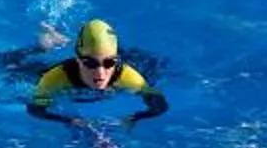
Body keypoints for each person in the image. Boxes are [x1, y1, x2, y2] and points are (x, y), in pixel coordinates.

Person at [29, 18, 166, 123]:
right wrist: (69, 120)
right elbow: (35, 109)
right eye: (90, 63)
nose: (100, 73)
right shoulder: (54, 78)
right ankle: (44, 44)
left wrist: (136, 117)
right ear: (77, 59)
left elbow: (159, 104)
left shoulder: (126, 75)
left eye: (109, 62)